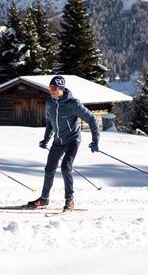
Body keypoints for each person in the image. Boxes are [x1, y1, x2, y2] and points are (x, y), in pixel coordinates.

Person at [26, 75, 99, 211]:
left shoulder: (73, 103)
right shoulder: (50, 103)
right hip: (58, 140)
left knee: (66, 167)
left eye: (54, 88)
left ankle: (69, 200)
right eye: (50, 88)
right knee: (49, 168)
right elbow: (50, 122)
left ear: (61, 89)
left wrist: (95, 140)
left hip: (73, 140)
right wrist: (46, 139)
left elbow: (92, 119)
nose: (51, 91)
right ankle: (44, 199)